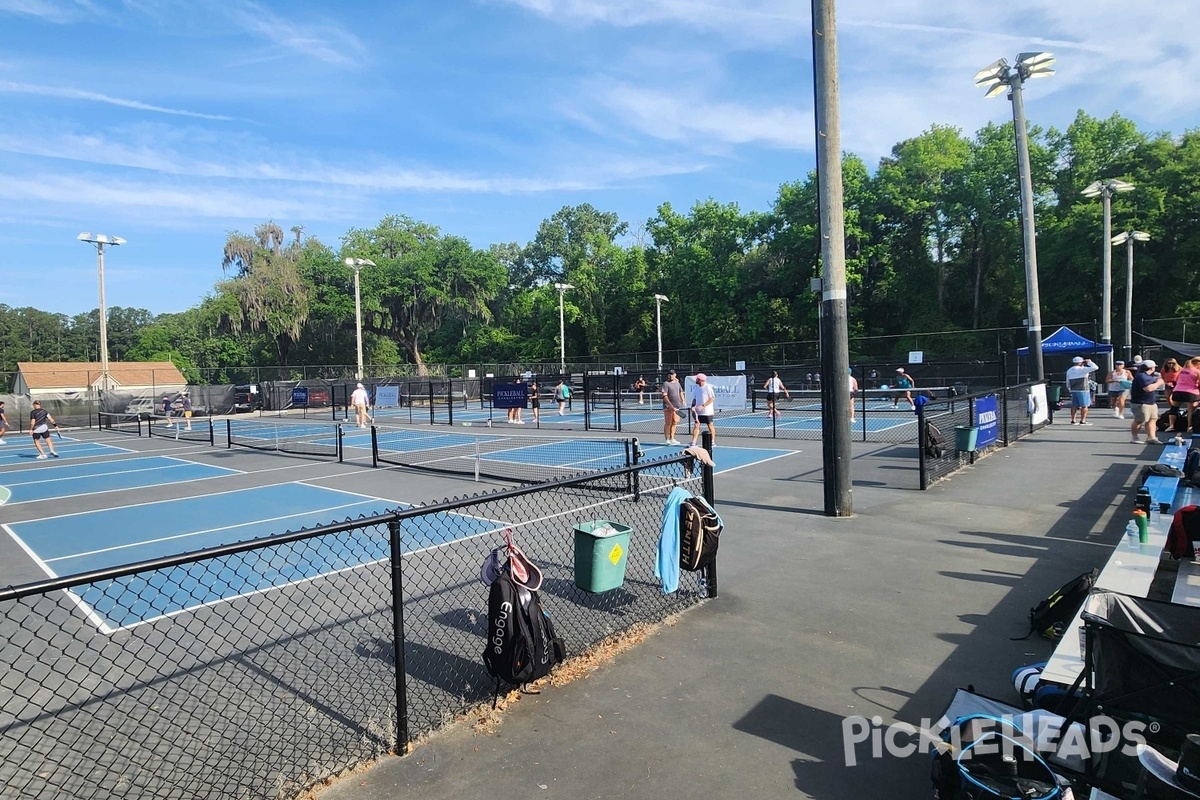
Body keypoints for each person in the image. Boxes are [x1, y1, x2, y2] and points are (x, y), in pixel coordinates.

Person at [1129, 359, 1165, 444]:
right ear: (1151, 368)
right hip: (1141, 403)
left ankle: (1151, 437)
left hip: (1150, 402)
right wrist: (1159, 382)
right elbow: (1148, 388)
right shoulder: (1141, 376)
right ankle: (1134, 437)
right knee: (1139, 420)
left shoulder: (1148, 376)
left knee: (1153, 419)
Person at [1169, 356, 1200, 433]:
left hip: (1177, 391)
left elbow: (1176, 379)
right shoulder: (1197, 371)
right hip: (1190, 392)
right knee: (1190, 411)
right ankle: (1189, 427)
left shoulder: (1182, 370)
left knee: (1174, 409)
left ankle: (1171, 426)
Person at [1066, 356, 1099, 425]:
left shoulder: (1069, 370)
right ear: (1081, 363)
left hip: (1074, 389)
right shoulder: (1083, 369)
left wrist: (1069, 388)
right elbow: (1095, 367)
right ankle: (1083, 420)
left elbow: (1067, 381)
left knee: (1074, 405)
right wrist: (1089, 362)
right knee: (1084, 406)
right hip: (1083, 389)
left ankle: (1073, 420)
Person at [688, 372, 716, 447]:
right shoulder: (696, 388)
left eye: (697, 379)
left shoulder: (708, 387)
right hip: (698, 412)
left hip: (707, 411)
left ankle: (712, 442)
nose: (696, 380)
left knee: (710, 425)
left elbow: (712, 398)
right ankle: (693, 442)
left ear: (701, 380)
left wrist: (703, 406)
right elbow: (694, 399)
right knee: (696, 425)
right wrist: (693, 406)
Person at [660, 369, 684, 445]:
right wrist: (670, 406)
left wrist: (683, 400)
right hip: (668, 407)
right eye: (669, 374)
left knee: (674, 422)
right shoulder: (666, 384)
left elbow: (680, 392)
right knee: (668, 423)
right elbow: (664, 396)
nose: (671, 375)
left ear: (675, 375)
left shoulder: (677, 383)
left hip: (677, 407)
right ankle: (667, 439)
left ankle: (672, 438)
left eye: (672, 374)